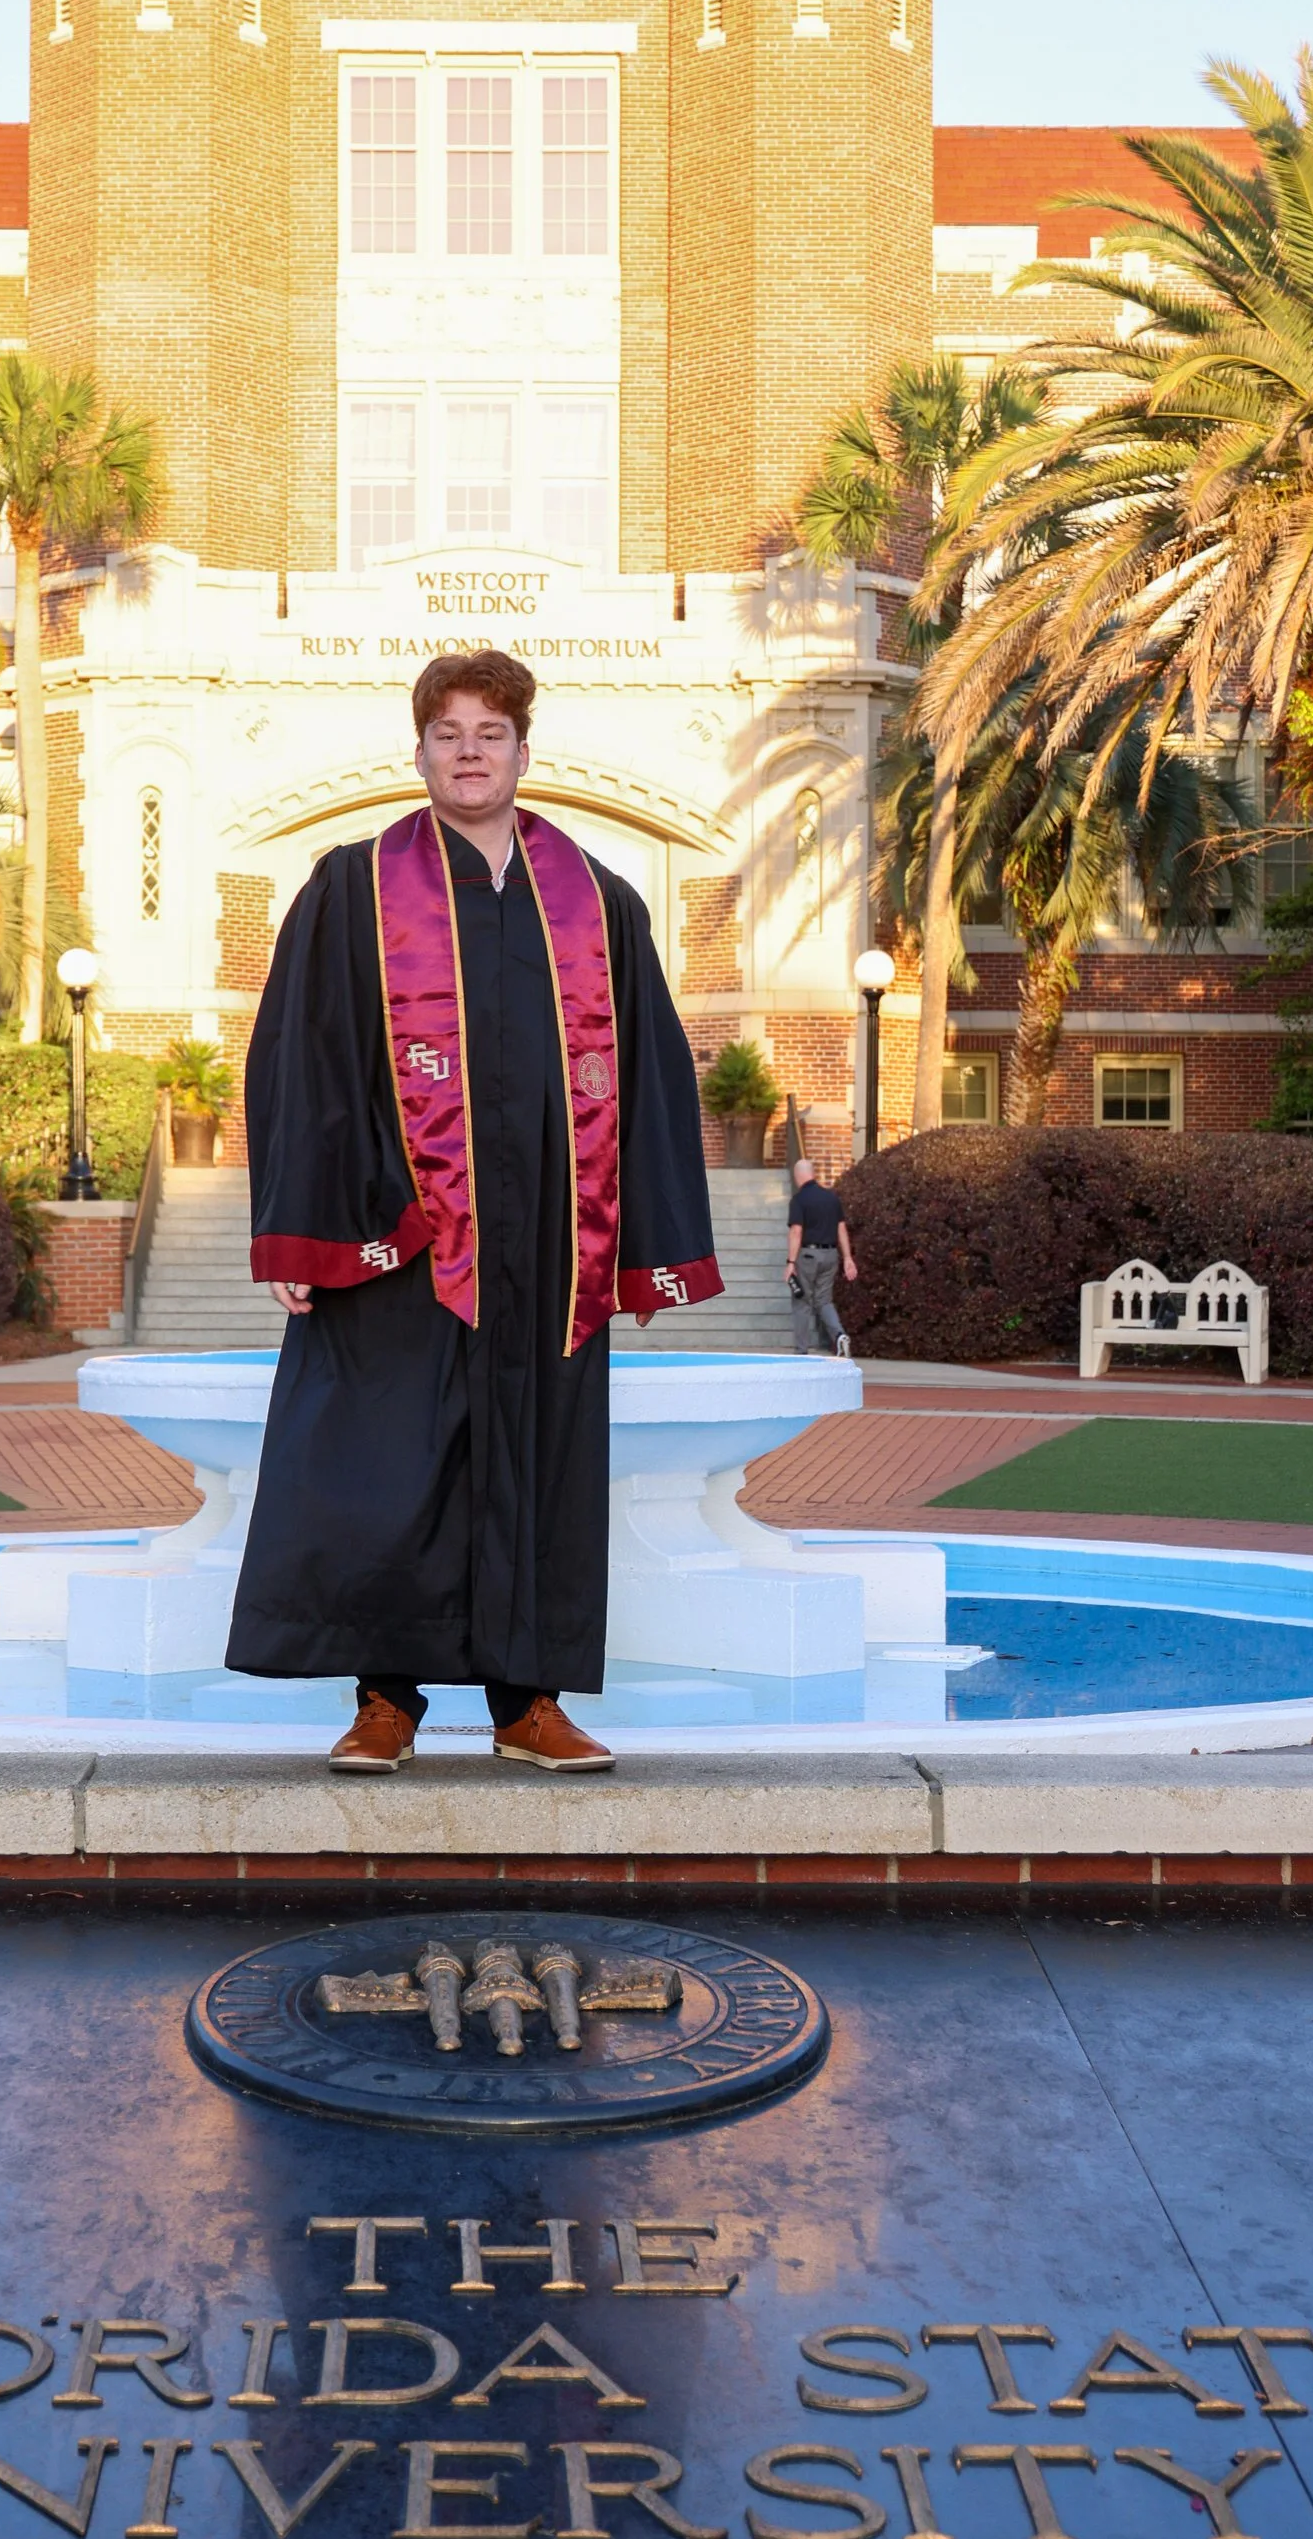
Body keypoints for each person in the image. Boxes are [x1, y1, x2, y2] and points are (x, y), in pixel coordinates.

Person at [227, 651, 720, 1771]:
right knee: (386, 1460)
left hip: (549, 1245)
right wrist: (304, 1222)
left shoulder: (598, 899)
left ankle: (526, 1704)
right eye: (446, 731)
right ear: (418, 752)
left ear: (521, 751)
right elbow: (301, 1062)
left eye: (488, 732)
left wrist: (648, 1249)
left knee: (534, 1459)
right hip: (403, 1232)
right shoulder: (351, 887)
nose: (467, 749)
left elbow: (647, 1076)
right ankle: (384, 1702)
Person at [784, 1154, 856, 1357]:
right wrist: (848, 1257)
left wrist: (790, 1262)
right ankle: (839, 1335)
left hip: (808, 1256)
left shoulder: (799, 1200)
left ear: (798, 1176)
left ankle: (801, 1350)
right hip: (831, 1255)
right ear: (812, 1174)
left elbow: (796, 1231)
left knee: (802, 1302)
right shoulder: (831, 1198)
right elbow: (841, 1229)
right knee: (824, 1301)